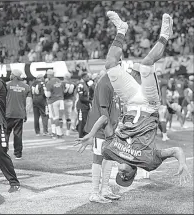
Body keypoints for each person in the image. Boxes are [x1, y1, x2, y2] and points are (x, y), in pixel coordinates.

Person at [75, 11, 191, 188]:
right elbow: (175, 150)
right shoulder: (149, 163)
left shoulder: (111, 151)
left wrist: (90, 134)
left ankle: (121, 29)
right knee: (145, 65)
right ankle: (165, 34)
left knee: (110, 66)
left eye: (120, 176)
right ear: (132, 174)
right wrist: (182, 163)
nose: (121, 173)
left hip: (130, 102)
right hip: (150, 106)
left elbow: (105, 121)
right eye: (124, 176)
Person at [83, 69, 121, 204]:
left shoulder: (113, 84)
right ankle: (94, 192)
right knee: (98, 159)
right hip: (102, 129)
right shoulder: (104, 84)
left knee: (109, 158)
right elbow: (103, 111)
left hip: (110, 129)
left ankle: (104, 189)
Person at [5, 69, 32, 159]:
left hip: (8, 113)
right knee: (18, 134)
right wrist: (26, 114)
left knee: (5, 133)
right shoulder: (26, 86)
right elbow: (29, 103)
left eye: (11, 74)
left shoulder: (6, 85)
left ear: (14, 75)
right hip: (20, 114)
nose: (10, 75)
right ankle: (18, 153)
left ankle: (4, 151)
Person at [44, 69, 64, 139]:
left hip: (53, 101)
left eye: (47, 74)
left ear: (50, 75)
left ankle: (56, 133)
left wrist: (44, 90)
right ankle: (59, 132)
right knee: (59, 117)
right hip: (61, 100)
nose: (47, 75)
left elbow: (48, 95)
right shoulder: (59, 80)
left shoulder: (49, 83)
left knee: (53, 117)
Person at [157, 68, 171, 141]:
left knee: (155, 120)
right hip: (160, 103)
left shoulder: (152, 81)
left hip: (151, 103)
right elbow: (163, 95)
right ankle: (164, 136)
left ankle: (162, 133)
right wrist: (164, 105)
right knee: (162, 119)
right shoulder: (163, 81)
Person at [76, 72, 91, 138]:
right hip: (81, 106)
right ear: (84, 77)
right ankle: (80, 136)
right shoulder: (80, 85)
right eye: (87, 77)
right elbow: (81, 97)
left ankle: (84, 133)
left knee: (85, 120)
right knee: (81, 121)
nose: (89, 78)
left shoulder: (86, 84)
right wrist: (90, 101)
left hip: (86, 105)